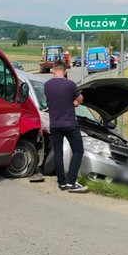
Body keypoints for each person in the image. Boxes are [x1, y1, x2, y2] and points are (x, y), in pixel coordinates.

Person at [43, 60, 88, 193]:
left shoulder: (47, 85)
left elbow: (50, 100)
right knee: (78, 150)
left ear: (53, 70)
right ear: (65, 71)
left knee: (58, 153)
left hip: (54, 124)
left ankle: (61, 183)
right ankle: (71, 182)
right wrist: (76, 102)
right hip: (69, 124)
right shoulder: (70, 84)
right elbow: (80, 99)